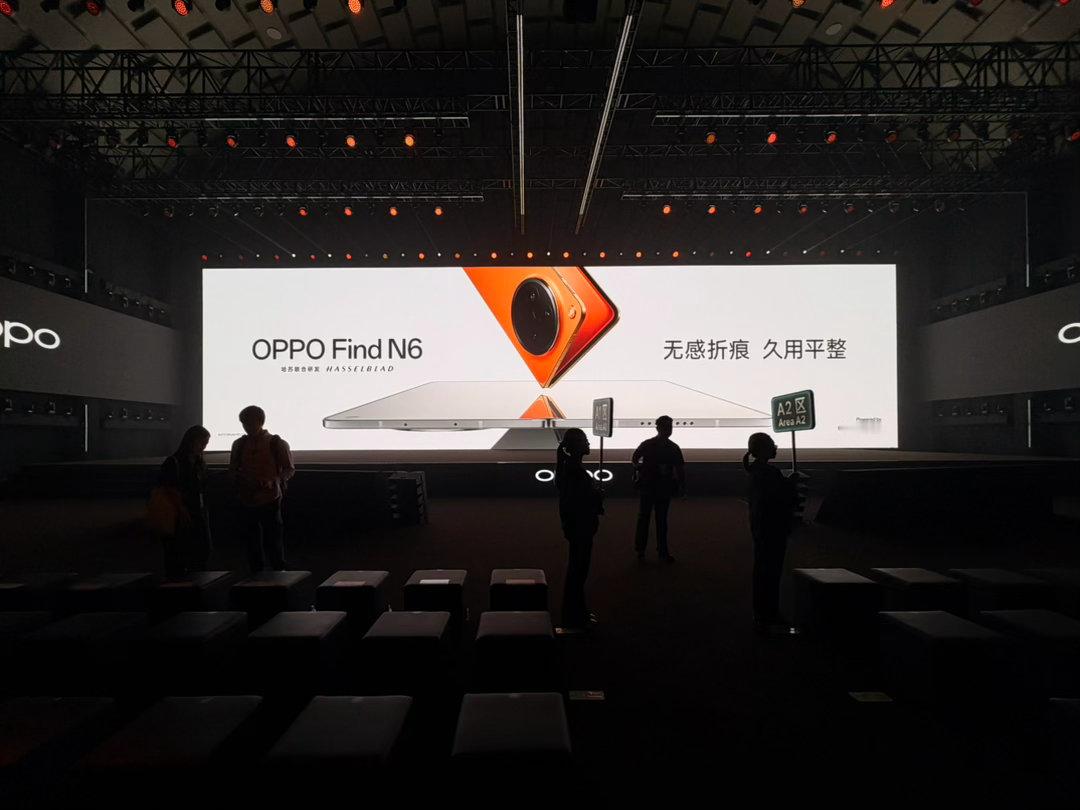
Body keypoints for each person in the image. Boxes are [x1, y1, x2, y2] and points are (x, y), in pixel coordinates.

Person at [743, 432, 798, 635]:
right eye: (772, 444)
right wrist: (790, 484)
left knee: (762, 569)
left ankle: (762, 612)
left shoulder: (755, 471)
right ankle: (769, 612)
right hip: (772, 528)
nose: (775, 447)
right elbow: (780, 498)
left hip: (761, 527)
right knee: (771, 571)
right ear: (764, 449)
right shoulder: (769, 473)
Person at [229, 405, 295, 573]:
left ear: (260, 421)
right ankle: (255, 573)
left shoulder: (276, 443)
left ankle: (278, 572)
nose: (246, 427)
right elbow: (232, 469)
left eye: (250, 422)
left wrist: (274, 481)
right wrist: (241, 480)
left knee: (273, 538)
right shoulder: (239, 444)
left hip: (270, 497)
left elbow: (289, 469)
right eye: (244, 423)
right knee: (251, 539)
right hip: (246, 497)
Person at [555, 428, 604, 633]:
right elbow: (578, 502)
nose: (589, 444)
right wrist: (595, 496)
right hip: (580, 526)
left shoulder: (568, 467)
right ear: (576, 446)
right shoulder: (575, 471)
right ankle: (573, 616)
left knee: (577, 569)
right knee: (578, 571)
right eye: (585, 441)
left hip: (575, 526)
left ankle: (577, 612)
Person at [157, 425, 213, 578]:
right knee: (179, 551)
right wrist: (182, 509)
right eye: (202, 443)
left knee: (201, 550)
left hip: (197, 511)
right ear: (191, 441)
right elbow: (170, 488)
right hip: (179, 512)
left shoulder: (198, 461)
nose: (204, 447)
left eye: (206, 443)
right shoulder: (174, 462)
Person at [631, 415, 685, 562]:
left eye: (670, 427)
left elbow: (635, 459)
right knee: (660, 520)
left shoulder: (648, 444)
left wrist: (640, 469)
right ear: (660, 428)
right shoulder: (673, 447)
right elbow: (679, 469)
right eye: (667, 427)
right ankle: (661, 552)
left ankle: (641, 550)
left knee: (645, 518)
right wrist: (681, 486)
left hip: (650, 487)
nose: (669, 430)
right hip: (661, 487)